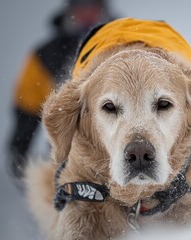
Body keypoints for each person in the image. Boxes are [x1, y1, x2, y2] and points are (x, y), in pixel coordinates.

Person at [7, 0, 113, 187]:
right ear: (71, 10)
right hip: (67, 163)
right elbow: (27, 107)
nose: (88, 14)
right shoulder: (45, 56)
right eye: (82, 8)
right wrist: (19, 152)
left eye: (93, 7)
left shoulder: (127, 44)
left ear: (103, 9)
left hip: (119, 156)